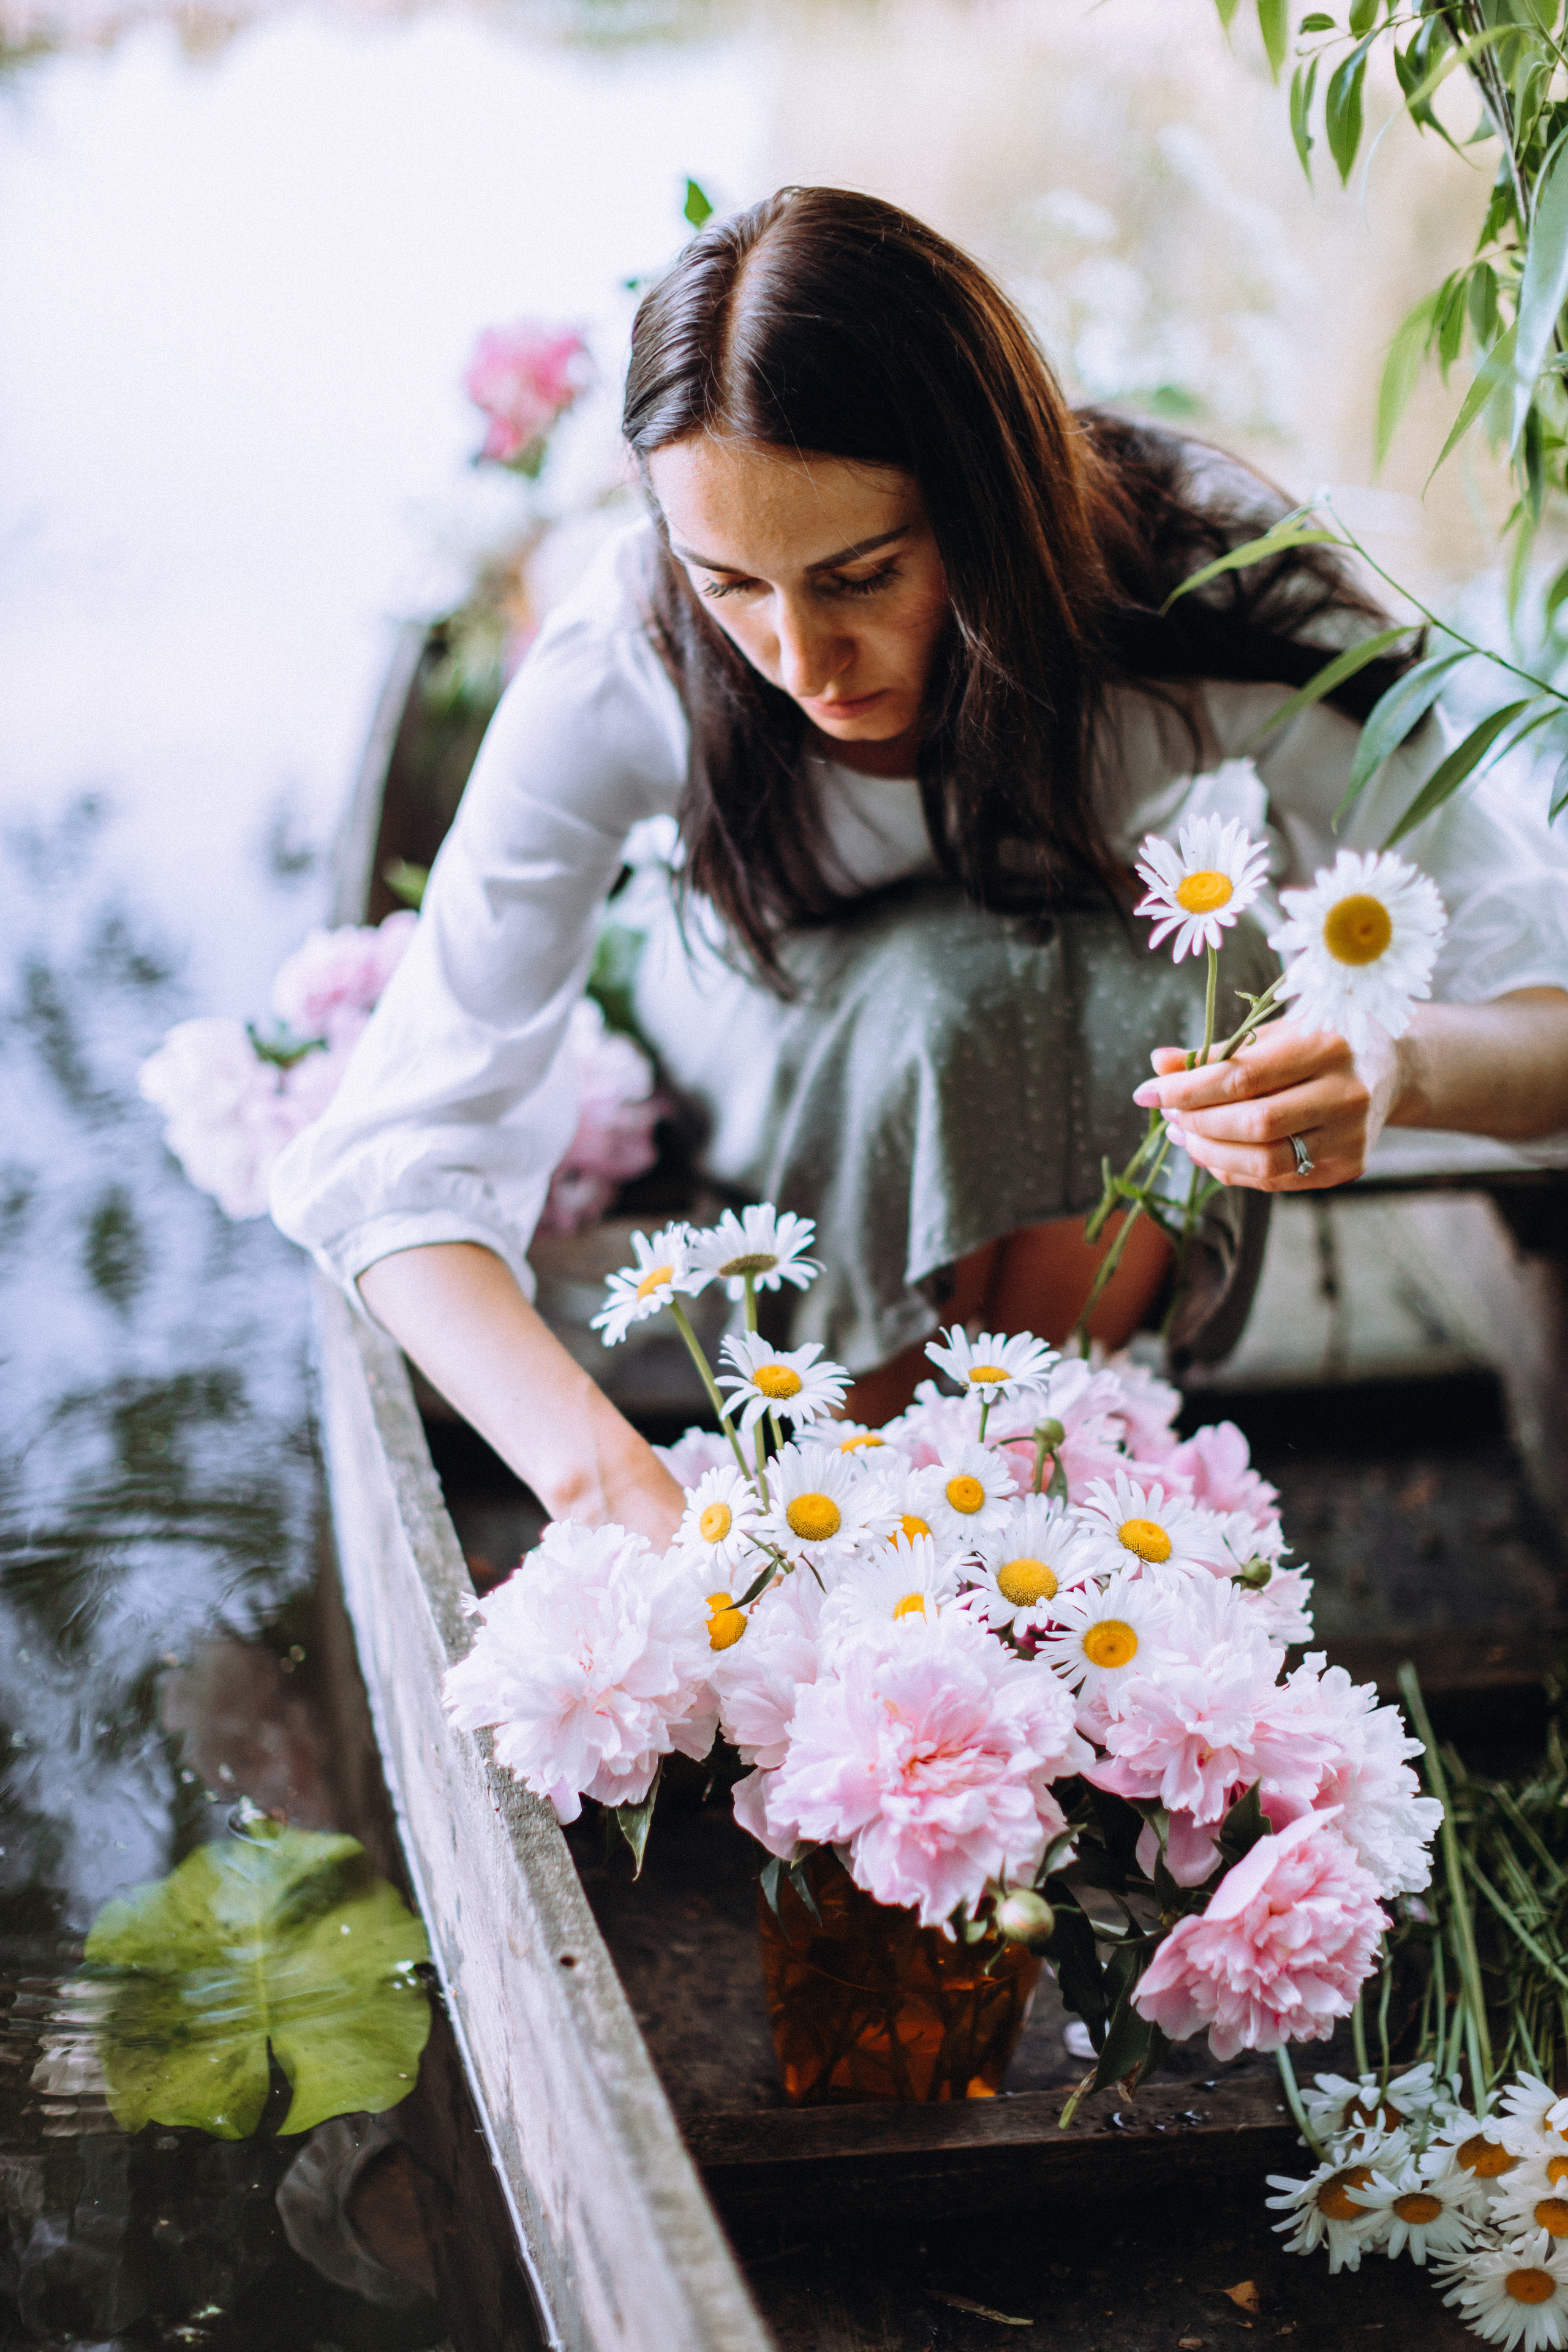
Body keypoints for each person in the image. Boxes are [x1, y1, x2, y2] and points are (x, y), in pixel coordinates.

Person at [271, 187, 1568, 1548]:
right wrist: (608, 1487)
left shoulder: (1207, 583)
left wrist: (1396, 1061)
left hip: (1087, 1019)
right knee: (939, 1014)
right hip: (755, 1007)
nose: (798, 661)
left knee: (1173, 978)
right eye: (731, 586)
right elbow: (398, 1156)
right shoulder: (630, 662)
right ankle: (880, 1520)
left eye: (859, 575)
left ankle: (1005, 1506)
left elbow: (1541, 1007)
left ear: (985, 497)